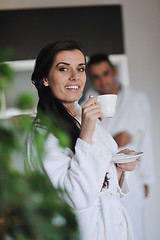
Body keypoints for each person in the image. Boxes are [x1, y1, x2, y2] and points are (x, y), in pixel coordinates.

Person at [25, 40, 140, 240]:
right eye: (63, 69)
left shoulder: (84, 117)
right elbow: (76, 197)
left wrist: (119, 167)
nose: (75, 77)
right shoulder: (42, 134)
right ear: (45, 78)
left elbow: (103, 183)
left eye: (80, 68)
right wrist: (86, 133)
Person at [85, 53, 155, 240]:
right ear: (91, 79)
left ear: (114, 72)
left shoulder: (138, 100)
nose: (102, 81)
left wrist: (147, 178)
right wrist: (114, 140)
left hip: (133, 176)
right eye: (96, 77)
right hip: (103, 180)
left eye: (105, 73)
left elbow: (146, 138)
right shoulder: (88, 104)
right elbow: (87, 143)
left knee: (136, 230)